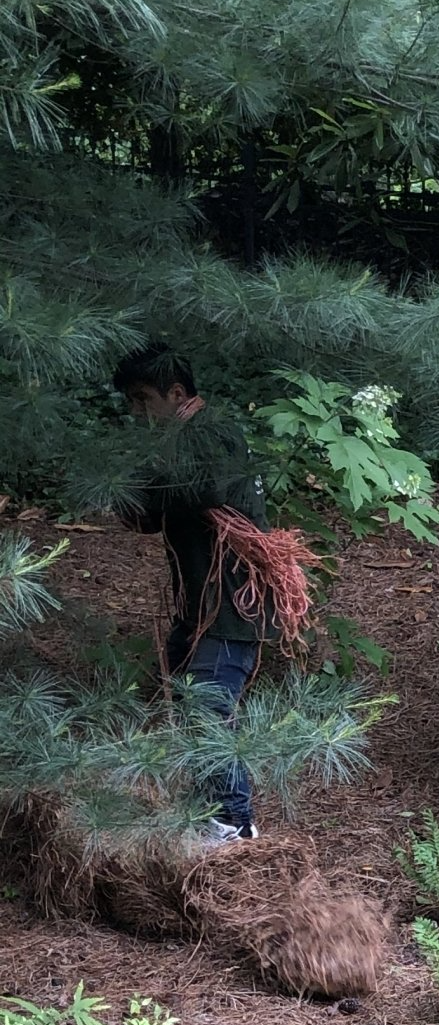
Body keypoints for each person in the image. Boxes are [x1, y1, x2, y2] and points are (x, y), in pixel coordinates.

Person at [114, 344, 279, 842]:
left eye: (144, 400)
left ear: (177, 393)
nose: (138, 414)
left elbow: (204, 489)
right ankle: (208, 814)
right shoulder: (175, 443)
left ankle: (233, 822)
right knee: (192, 707)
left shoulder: (214, 431)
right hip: (200, 607)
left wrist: (149, 474)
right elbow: (148, 515)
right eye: (131, 403)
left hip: (232, 606)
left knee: (208, 709)